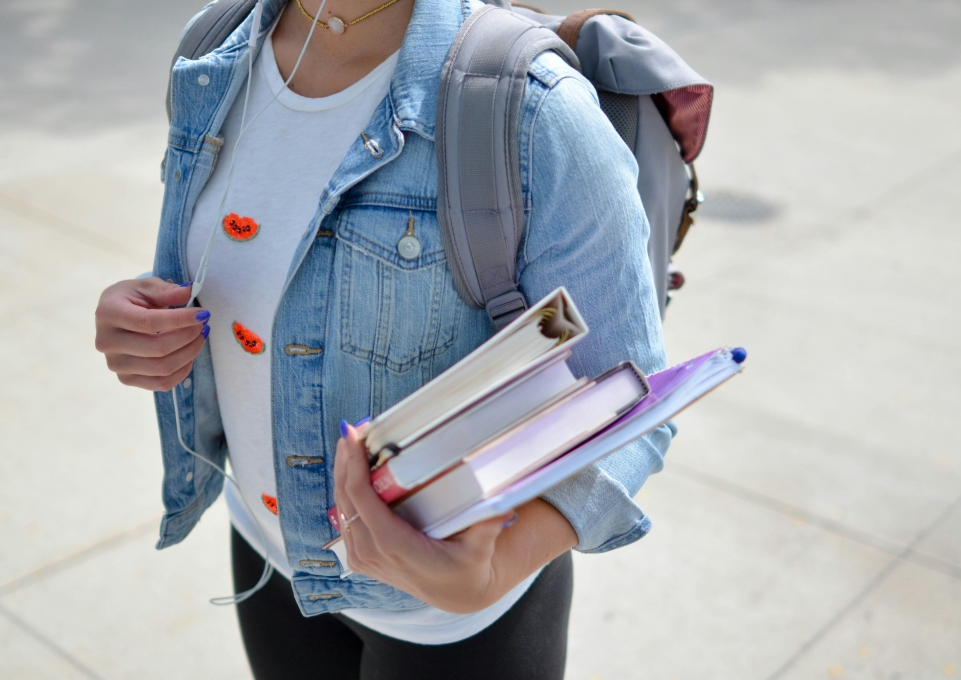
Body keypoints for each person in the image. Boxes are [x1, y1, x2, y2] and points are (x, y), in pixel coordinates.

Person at [93, 0, 673, 677]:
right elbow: (252, 258)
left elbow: (628, 402)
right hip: (266, 550)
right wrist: (142, 313)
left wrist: (490, 573)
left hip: (453, 622)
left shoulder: (534, 110)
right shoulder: (213, 49)